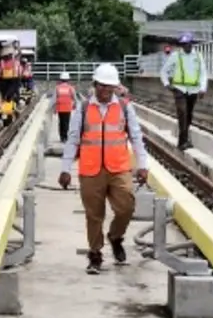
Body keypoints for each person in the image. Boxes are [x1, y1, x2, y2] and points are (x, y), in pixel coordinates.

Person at [58, 63, 149, 275]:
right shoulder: (83, 108)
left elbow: (136, 137)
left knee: (126, 207)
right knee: (94, 215)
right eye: (102, 86)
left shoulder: (125, 107)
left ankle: (116, 237)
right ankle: (95, 253)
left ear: (116, 88)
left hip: (119, 168)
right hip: (91, 170)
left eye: (110, 87)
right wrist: (65, 168)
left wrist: (143, 165)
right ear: (95, 85)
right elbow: (73, 139)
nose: (106, 91)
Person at [160, 33, 208, 150]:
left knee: (189, 115)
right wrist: (167, 84)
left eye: (188, 44)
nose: (186, 47)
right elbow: (164, 71)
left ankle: (185, 138)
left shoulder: (198, 56)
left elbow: (203, 73)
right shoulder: (176, 56)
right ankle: (182, 142)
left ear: (191, 44)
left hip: (194, 90)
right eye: (184, 45)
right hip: (179, 89)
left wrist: (203, 88)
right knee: (182, 112)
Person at [53, 71, 78, 142]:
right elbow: (74, 97)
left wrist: (54, 108)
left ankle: (62, 137)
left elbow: (55, 98)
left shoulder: (57, 87)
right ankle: (65, 137)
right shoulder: (70, 88)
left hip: (60, 108)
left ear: (61, 79)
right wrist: (75, 104)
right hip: (67, 108)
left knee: (61, 122)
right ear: (68, 80)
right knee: (66, 122)